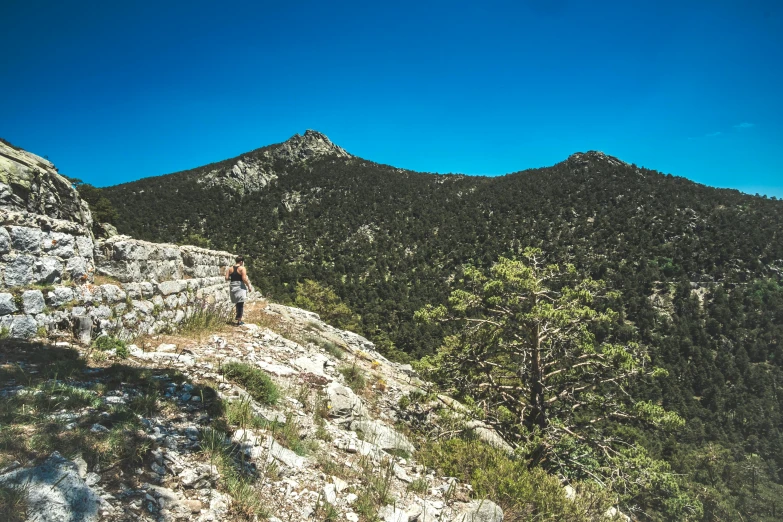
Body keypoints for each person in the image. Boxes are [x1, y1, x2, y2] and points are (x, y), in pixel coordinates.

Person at [225, 255, 253, 325]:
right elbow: (244, 278)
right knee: (241, 302)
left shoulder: (230, 269)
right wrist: (248, 286)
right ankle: (239, 320)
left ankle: (238, 317)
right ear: (241, 262)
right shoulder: (242, 268)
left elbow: (226, 278)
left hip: (232, 286)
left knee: (237, 302)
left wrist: (233, 278)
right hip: (240, 286)